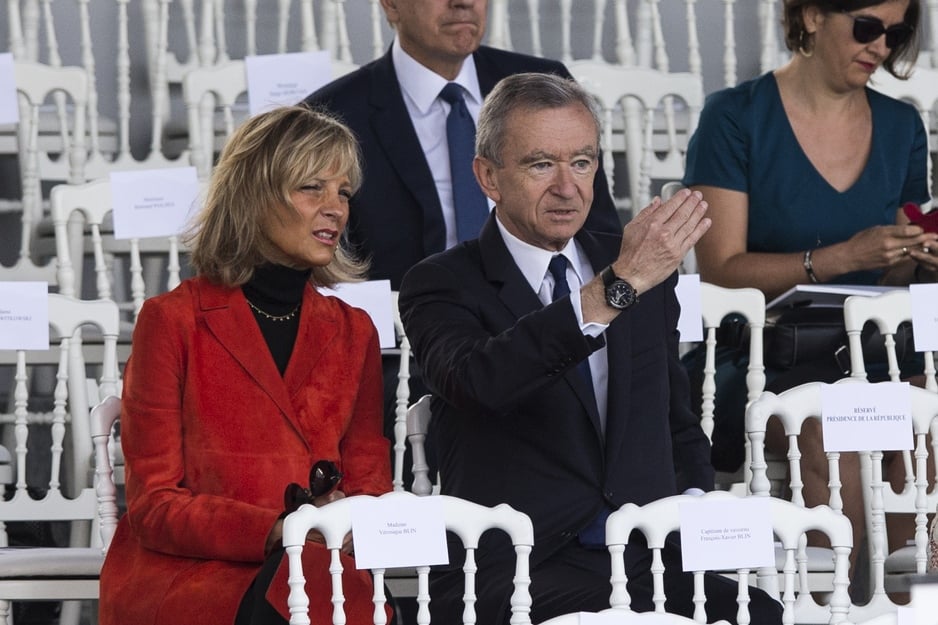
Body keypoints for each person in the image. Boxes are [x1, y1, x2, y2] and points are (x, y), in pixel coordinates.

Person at [399, 72, 783, 625]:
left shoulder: (639, 267)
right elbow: (480, 383)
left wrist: (697, 524)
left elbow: (672, 423)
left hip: (647, 557)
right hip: (519, 568)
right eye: (540, 164)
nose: (567, 186)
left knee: (763, 616)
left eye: (582, 162)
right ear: (487, 176)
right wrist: (613, 290)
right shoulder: (441, 282)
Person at [98, 105, 393, 625]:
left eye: (343, 192)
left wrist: (337, 526)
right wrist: (280, 527)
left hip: (317, 574)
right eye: (312, 188)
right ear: (255, 195)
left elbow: (370, 487)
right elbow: (155, 507)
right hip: (195, 577)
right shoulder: (171, 321)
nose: (335, 209)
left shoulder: (354, 331)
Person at [681, 0, 936, 582]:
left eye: (895, 35)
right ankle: (844, 604)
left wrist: (919, 262)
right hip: (760, 355)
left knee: (928, 420)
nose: (880, 47)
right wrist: (844, 257)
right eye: (868, 27)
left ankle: (905, 601)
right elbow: (719, 269)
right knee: (829, 428)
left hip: (874, 352)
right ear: (813, 16)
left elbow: (892, 276)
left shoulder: (901, 127)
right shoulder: (735, 116)